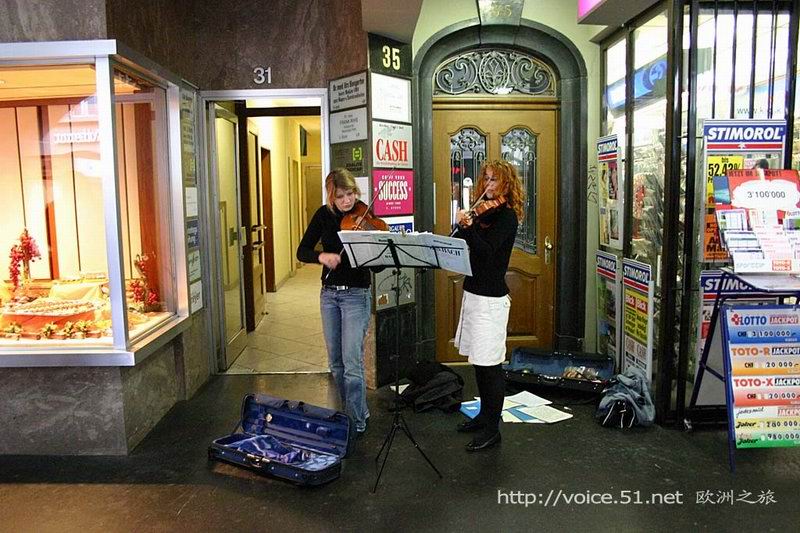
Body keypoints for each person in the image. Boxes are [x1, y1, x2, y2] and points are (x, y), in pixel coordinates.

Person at [452, 159, 524, 452]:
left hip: (491, 300)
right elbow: (462, 244)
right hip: (473, 294)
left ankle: (492, 429)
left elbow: (487, 252)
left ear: (506, 183)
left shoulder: (507, 217)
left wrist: (469, 230)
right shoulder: (483, 213)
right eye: (486, 179)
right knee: (478, 364)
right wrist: (461, 225)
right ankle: (483, 416)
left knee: (491, 366)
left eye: (494, 179)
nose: (488, 184)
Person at [296, 168, 372, 435]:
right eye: (340, 196)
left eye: (350, 194)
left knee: (352, 363)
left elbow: (378, 265)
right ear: (331, 196)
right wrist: (322, 257)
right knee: (336, 363)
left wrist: (371, 250)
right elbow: (302, 250)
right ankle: (351, 410)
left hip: (356, 295)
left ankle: (356, 422)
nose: (347, 201)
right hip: (329, 295)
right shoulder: (323, 215)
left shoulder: (365, 216)